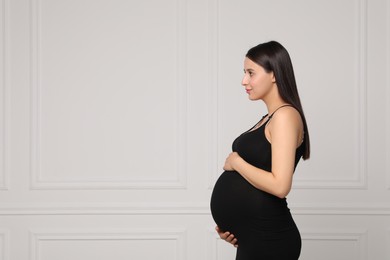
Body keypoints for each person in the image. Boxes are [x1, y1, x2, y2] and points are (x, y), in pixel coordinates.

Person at [210, 41, 310, 260]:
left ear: (273, 74)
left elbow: (280, 185)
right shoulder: (270, 117)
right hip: (255, 238)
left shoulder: (285, 116)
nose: (244, 81)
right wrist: (236, 227)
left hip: (270, 239)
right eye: (244, 73)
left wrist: (236, 163)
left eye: (251, 73)